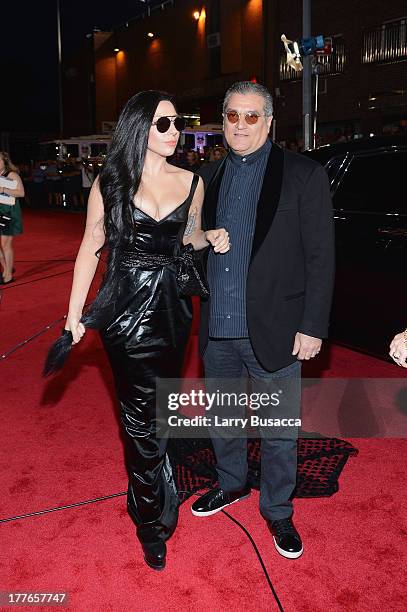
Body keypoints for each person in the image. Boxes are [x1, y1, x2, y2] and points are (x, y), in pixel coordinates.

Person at [62, 91, 229, 570]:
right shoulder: (111, 182)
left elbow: (189, 236)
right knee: (141, 419)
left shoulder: (193, 181)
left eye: (177, 122)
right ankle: (151, 520)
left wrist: (210, 236)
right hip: (125, 312)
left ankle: (148, 493)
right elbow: (90, 248)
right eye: (162, 124)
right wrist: (75, 314)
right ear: (138, 127)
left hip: (174, 312)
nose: (174, 131)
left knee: (162, 408)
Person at [192, 81, 335, 560]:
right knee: (225, 419)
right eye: (232, 115)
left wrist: (313, 325)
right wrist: (198, 241)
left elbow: (321, 257)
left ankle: (278, 510)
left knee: (278, 430)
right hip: (218, 329)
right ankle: (231, 484)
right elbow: (185, 248)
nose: (241, 125)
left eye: (252, 116)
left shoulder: (303, 174)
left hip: (278, 327)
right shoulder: (204, 178)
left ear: (270, 122)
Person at [0, 151, 25, 284]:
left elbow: (21, 193)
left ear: (5, 161)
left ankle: (8, 275)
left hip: (9, 212)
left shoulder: (11, 175)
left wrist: (4, 189)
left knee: (5, 244)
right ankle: (7, 267)